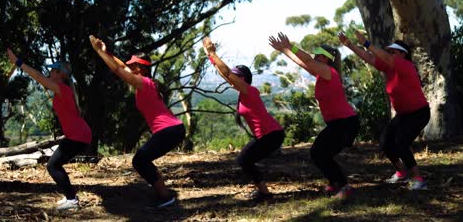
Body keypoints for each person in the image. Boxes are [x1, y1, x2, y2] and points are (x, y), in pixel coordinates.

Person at [89, 35, 185, 208]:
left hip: (169, 130)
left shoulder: (143, 83)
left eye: (133, 65)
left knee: (140, 160)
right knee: (142, 159)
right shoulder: (145, 81)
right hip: (173, 129)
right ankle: (162, 191)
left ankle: (165, 196)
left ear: (140, 67)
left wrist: (98, 52)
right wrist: (105, 51)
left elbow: (118, 70)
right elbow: (120, 66)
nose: (129, 66)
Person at [269, 32, 359, 199]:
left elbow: (308, 60)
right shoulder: (321, 73)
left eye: (319, 54)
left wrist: (291, 46)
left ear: (326, 59)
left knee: (320, 153)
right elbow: (302, 62)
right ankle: (335, 183)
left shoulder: (328, 71)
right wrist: (283, 49)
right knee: (318, 154)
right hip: (337, 124)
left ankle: (344, 187)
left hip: (345, 123)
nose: (315, 56)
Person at [338, 31, 429, 190]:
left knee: (401, 144)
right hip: (403, 115)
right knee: (386, 143)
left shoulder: (406, 65)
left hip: (418, 113)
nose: (389, 54)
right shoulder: (389, 67)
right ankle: (401, 173)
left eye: (393, 51)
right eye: (389, 51)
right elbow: (370, 58)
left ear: (403, 54)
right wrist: (350, 45)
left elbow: (382, 56)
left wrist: (366, 42)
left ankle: (418, 179)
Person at [6, 49, 92, 210]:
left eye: (53, 69)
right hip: (78, 135)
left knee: (53, 166)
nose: (49, 72)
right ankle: (70, 197)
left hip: (78, 136)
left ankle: (72, 200)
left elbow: (38, 77)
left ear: (60, 73)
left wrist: (18, 62)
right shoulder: (62, 89)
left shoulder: (62, 88)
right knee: (55, 165)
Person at [202, 37, 285, 202]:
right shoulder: (243, 92)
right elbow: (225, 75)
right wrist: (211, 58)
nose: (232, 77)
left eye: (236, 75)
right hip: (267, 135)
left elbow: (226, 73)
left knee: (244, 160)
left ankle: (265, 194)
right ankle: (264, 193)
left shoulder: (249, 91)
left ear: (244, 79)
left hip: (271, 134)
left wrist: (212, 52)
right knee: (245, 160)